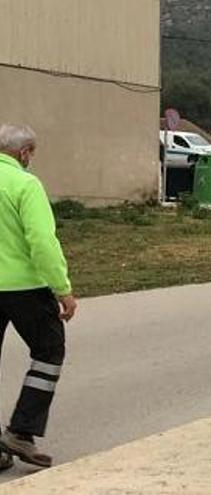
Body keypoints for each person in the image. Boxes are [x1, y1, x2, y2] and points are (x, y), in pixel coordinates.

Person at [0, 124, 77, 469]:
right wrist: (62, 289)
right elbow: (42, 242)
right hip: (23, 287)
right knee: (49, 351)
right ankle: (21, 430)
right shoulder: (25, 185)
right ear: (24, 153)